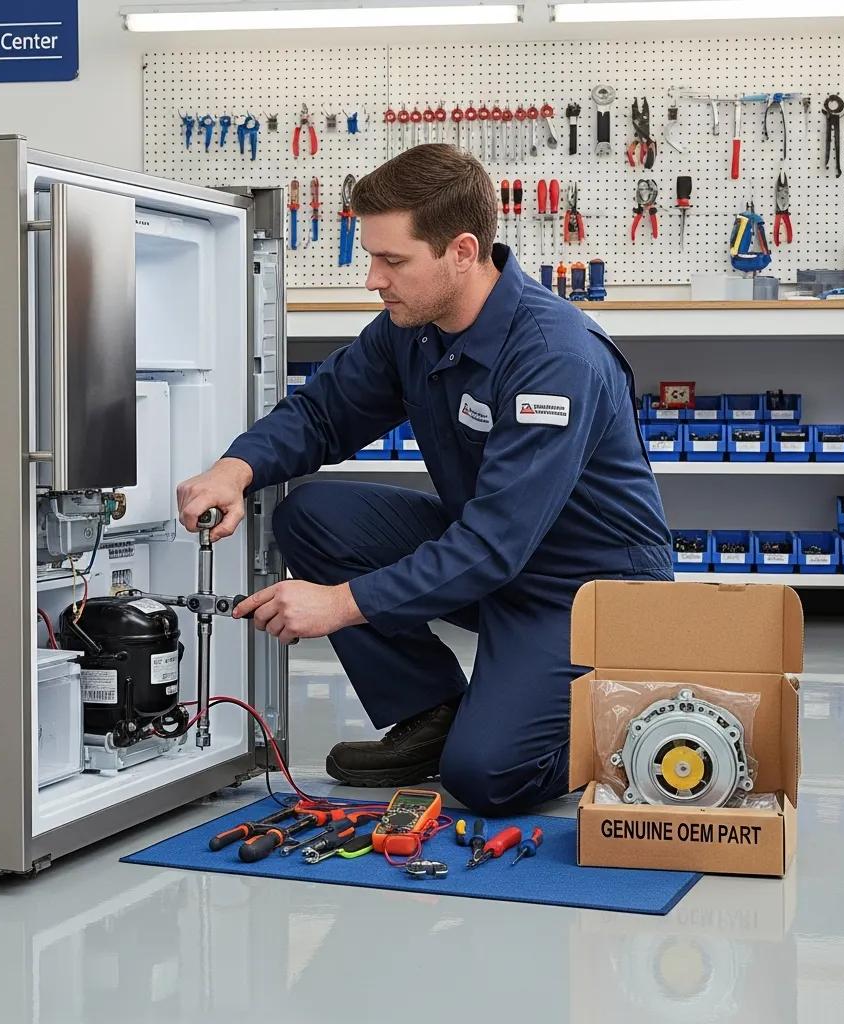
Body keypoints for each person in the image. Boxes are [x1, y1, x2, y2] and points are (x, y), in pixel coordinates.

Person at [176, 143, 672, 816]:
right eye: (371, 257)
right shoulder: (412, 328)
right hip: (497, 561)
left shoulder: (553, 359)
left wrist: (340, 604)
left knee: (488, 776)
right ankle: (433, 712)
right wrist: (234, 468)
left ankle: (628, 709)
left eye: (393, 261)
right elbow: (324, 412)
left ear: (462, 252)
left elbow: (494, 546)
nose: (373, 280)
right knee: (312, 518)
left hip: (585, 591)